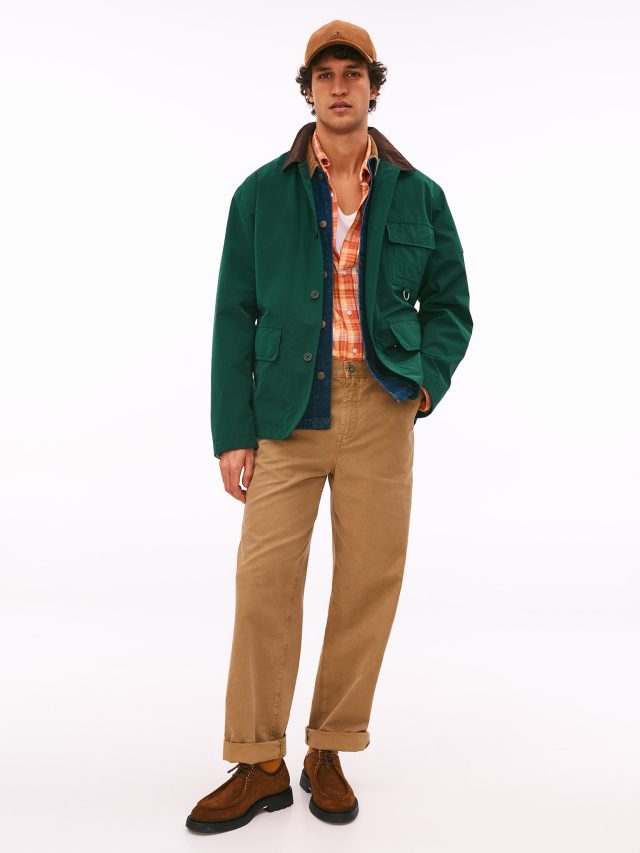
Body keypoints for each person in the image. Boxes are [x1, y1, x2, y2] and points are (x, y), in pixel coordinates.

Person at [186, 19, 473, 834]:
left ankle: (330, 747)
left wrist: (423, 386)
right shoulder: (261, 193)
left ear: (373, 89)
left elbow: (451, 307)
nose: (339, 87)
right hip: (285, 410)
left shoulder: (419, 194)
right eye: (325, 75)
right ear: (308, 89)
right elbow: (233, 314)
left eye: (353, 74)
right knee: (263, 583)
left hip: (382, 406)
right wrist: (231, 430)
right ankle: (258, 760)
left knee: (368, 582)